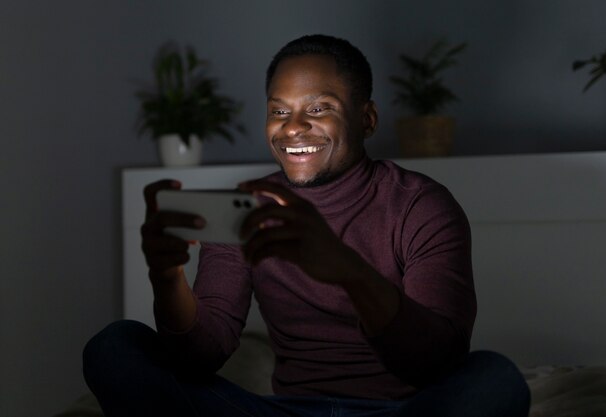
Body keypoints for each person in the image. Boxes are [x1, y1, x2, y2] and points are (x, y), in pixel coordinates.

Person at [84, 34, 530, 416]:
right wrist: (166, 278)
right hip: (283, 412)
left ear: (367, 119)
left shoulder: (421, 205)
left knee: (494, 379)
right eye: (279, 111)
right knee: (115, 347)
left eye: (318, 108)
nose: (293, 128)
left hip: (400, 413)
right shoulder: (249, 206)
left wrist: (347, 270)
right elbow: (202, 356)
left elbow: (436, 363)